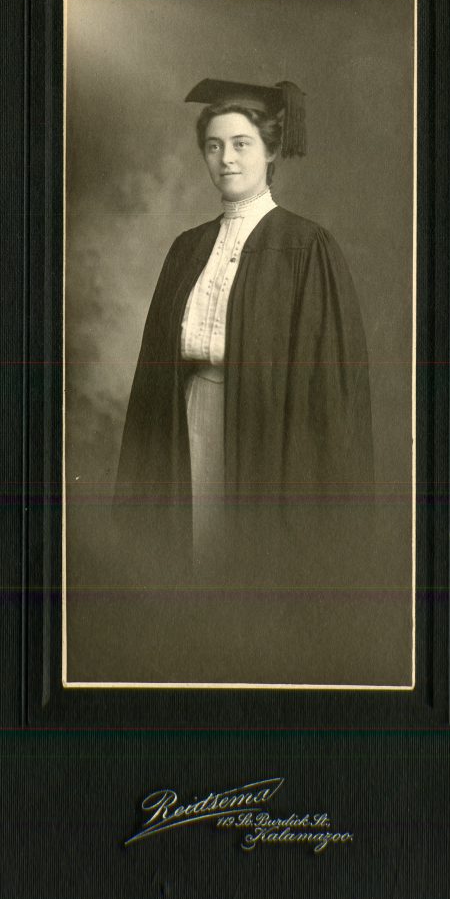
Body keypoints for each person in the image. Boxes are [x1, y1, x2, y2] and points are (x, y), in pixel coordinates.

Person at [114, 78, 375, 681]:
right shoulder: (187, 247)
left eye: (241, 144)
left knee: (251, 560)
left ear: (271, 152)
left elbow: (328, 384)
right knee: (195, 549)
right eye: (213, 146)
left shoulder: (306, 246)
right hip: (190, 417)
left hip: (266, 430)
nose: (226, 159)